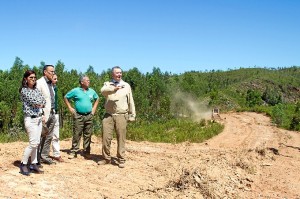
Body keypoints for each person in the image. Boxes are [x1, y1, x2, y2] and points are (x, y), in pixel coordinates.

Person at [98, 66, 136, 168]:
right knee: (106, 138)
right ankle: (106, 158)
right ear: (112, 74)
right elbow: (103, 91)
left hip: (121, 115)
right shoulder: (107, 84)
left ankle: (121, 159)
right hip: (108, 115)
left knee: (121, 138)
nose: (119, 74)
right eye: (117, 73)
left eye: (120, 73)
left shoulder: (126, 85)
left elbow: (130, 100)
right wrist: (113, 89)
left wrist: (132, 114)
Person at [64, 75, 99, 159]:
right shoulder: (76, 91)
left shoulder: (91, 91)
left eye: (89, 80)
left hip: (89, 115)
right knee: (77, 133)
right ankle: (74, 151)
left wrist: (94, 109)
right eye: (87, 80)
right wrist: (70, 108)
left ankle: (87, 151)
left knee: (88, 134)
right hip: (78, 115)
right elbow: (66, 97)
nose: (89, 81)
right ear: (82, 82)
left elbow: (97, 98)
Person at [19, 70, 46, 175]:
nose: (33, 79)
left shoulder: (36, 90)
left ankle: (33, 164)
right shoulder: (24, 90)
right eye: (31, 77)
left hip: (38, 118)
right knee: (33, 143)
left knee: (37, 143)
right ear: (26, 79)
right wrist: (39, 103)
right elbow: (34, 101)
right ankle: (23, 164)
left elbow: (43, 101)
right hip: (30, 119)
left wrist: (40, 105)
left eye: (34, 77)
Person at [36, 65, 57, 165]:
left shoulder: (51, 84)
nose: (53, 73)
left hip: (52, 113)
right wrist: (41, 114)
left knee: (49, 136)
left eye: (53, 71)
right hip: (43, 114)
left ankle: (44, 156)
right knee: (40, 136)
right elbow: (37, 100)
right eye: (51, 72)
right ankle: (36, 158)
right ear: (45, 72)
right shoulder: (39, 83)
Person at [50, 74, 64, 162]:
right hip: (46, 114)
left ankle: (56, 154)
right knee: (44, 135)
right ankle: (41, 155)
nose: (56, 80)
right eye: (55, 79)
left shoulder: (55, 88)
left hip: (55, 113)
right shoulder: (45, 88)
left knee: (56, 135)